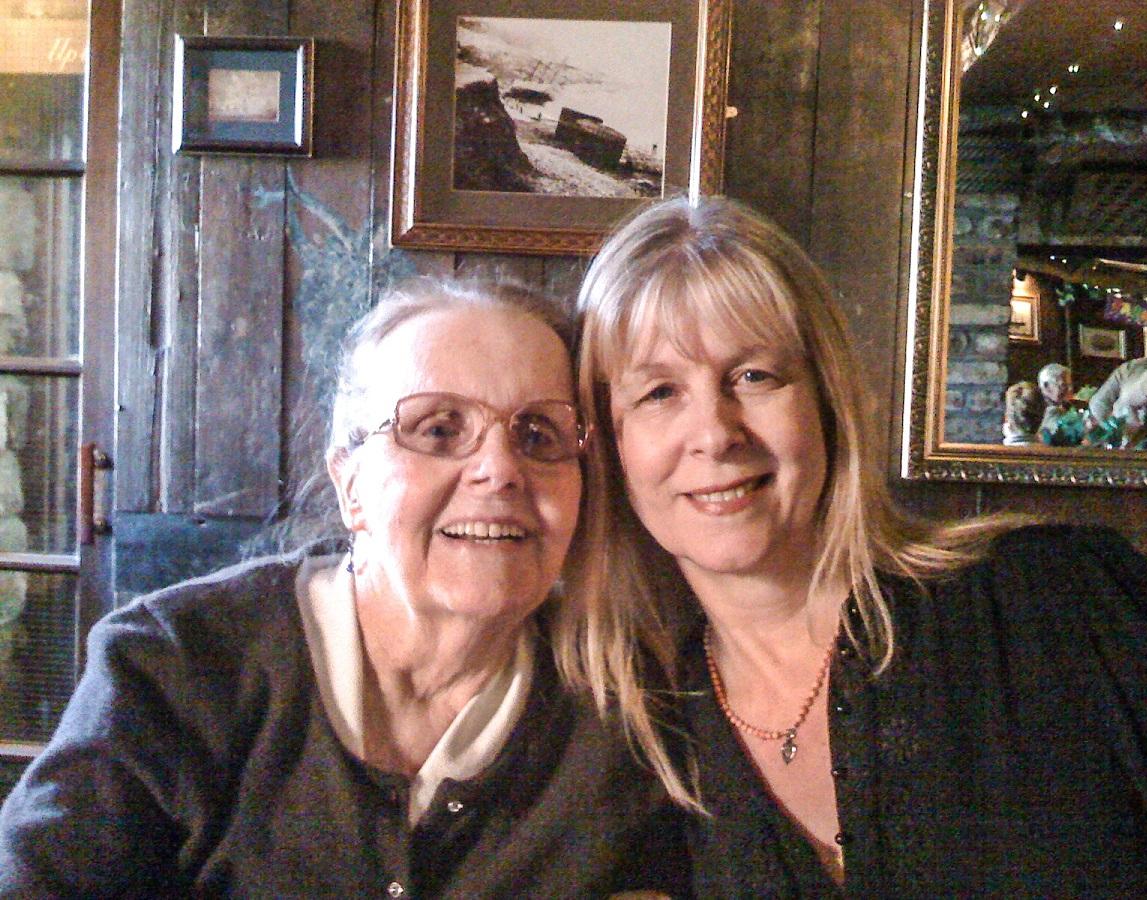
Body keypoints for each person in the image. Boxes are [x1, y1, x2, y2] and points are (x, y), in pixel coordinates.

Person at [570, 196, 1147, 896]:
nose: (715, 434)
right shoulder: (641, 741)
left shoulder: (1057, 603)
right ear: (610, 445)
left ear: (827, 401)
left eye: (754, 376)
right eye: (659, 392)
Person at [0, 277, 689, 897]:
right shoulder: (177, 665)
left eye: (538, 434)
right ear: (350, 482)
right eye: (438, 429)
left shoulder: (623, 710)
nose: (500, 469)